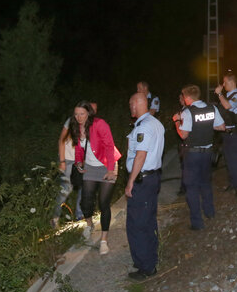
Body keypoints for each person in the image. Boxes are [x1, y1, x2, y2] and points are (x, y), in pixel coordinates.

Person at [70, 101, 121, 255]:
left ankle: (104, 240)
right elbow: (79, 148)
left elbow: (109, 146)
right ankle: (89, 224)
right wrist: (78, 163)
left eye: (82, 114)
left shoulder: (100, 124)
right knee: (85, 200)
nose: (79, 117)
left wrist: (111, 170)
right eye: (76, 114)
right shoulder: (78, 127)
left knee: (103, 203)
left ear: (89, 113)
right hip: (91, 167)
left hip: (107, 164)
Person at [172, 84, 225, 230]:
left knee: (192, 187)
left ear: (187, 97)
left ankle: (197, 223)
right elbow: (221, 127)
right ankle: (210, 212)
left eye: (183, 96)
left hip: (193, 154)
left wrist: (177, 121)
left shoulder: (188, 112)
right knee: (206, 183)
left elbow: (184, 135)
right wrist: (206, 126)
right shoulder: (211, 108)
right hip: (208, 153)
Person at [125, 92, 165, 280]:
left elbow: (140, 155)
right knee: (148, 220)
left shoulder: (144, 127)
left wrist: (131, 181)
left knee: (138, 223)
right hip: (152, 178)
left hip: (142, 179)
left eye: (131, 104)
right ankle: (148, 257)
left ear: (136, 104)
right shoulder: (155, 123)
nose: (130, 108)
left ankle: (146, 266)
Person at [215, 71, 237, 196]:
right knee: (228, 160)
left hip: (234, 134)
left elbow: (228, 107)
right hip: (226, 133)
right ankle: (233, 183)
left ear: (232, 82)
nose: (223, 85)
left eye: (225, 82)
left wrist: (219, 94)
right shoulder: (227, 96)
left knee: (234, 160)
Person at [52, 115, 84, 227]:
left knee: (84, 185)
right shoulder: (71, 120)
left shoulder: (91, 123)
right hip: (67, 159)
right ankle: (54, 218)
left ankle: (80, 215)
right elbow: (61, 139)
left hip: (80, 160)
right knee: (66, 189)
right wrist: (62, 161)